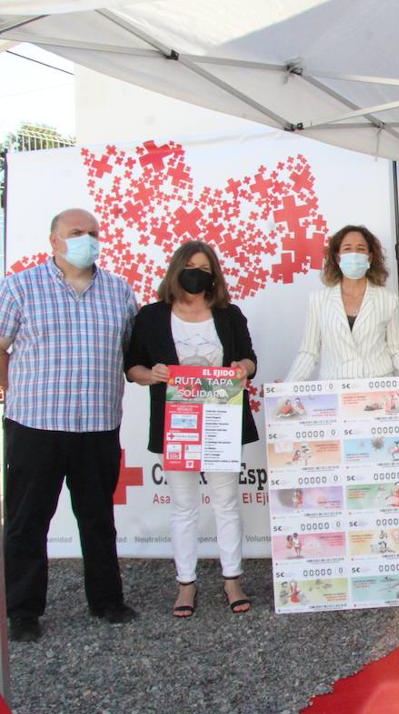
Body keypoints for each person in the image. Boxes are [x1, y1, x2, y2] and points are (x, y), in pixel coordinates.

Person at [0, 208, 139, 642]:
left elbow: (132, 350)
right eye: (76, 233)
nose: (88, 239)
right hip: (36, 423)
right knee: (27, 519)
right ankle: (23, 611)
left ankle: (106, 601)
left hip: (97, 424)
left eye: (93, 233)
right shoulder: (20, 287)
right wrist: (10, 385)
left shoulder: (118, 291)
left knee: (97, 517)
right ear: (54, 241)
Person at [125, 240, 258, 617]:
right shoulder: (151, 316)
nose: (196, 274)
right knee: (183, 505)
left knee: (226, 502)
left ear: (213, 275)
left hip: (220, 421)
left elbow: (250, 359)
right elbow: (132, 367)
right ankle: (186, 583)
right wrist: (152, 374)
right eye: (191, 266)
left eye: (204, 268)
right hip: (176, 425)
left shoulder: (229, 315)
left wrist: (241, 369)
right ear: (177, 269)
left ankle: (232, 578)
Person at [286, 225, 399, 386]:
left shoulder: (388, 299)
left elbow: (396, 348)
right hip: (335, 391)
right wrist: (288, 385)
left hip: (377, 389)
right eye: (347, 249)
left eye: (360, 249)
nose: (354, 254)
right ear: (337, 258)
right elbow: (308, 352)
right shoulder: (318, 300)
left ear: (370, 257)